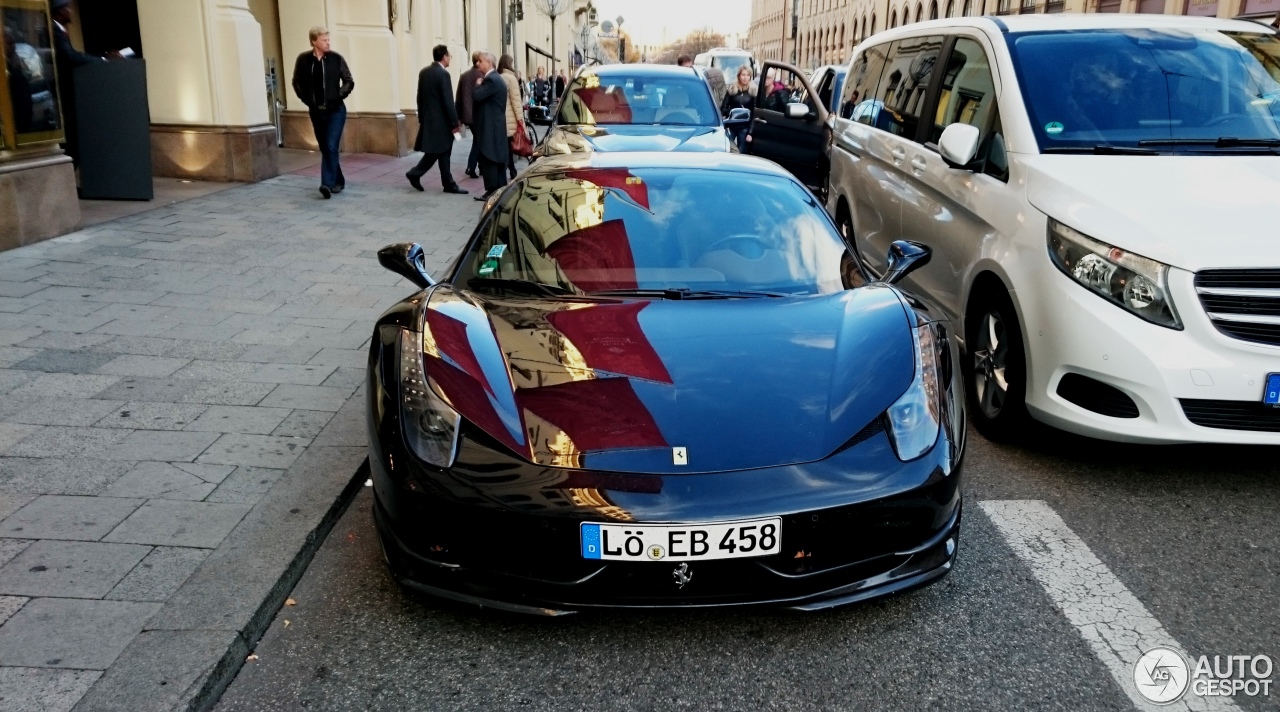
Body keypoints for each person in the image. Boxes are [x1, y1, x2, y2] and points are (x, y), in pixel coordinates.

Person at [292, 26, 354, 199]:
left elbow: (349, 81)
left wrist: (336, 96)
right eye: (324, 40)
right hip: (316, 112)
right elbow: (297, 83)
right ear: (314, 41)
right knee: (326, 147)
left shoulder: (336, 59)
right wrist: (308, 101)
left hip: (336, 110)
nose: (328, 42)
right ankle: (338, 180)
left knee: (332, 145)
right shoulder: (303, 60)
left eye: (328, 39)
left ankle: (326, 184)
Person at [50, 0, 113, 165]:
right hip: (63, 92)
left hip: (70, 91)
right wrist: (102, 60)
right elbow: (68, 56)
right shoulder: (54, 30)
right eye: (68, 8)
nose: (71, 12)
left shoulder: (61, 29)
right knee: (71, 137)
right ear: (61, 11)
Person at [406, 45, 467, 195]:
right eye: (450, 56)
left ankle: (446, 183)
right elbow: (448, 100)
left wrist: (421, 117)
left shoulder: (424, 72)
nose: (450, 59)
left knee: (440, 152)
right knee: (442, 151)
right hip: (443, 122)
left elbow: (419, 97)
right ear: (444, 57)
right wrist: (454, 122)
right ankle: (419, 175)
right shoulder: (443, 74)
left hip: (429, 119)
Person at [471, 52, 510, 200]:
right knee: (496, 156)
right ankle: (498, 189)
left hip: (490, 126)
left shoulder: (491, 80)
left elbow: (476, 96)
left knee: (489, 157)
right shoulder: (497, 79)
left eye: (480, 61)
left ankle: (492, 190)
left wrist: (477, 85)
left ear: (489, 62)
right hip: (495, 124)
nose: (477, 64)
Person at [456, 52, 483, 180]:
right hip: (479, 115)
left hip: (467, 115)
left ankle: (478, 166)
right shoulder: (482, 76)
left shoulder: (464, 75)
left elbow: (459, 97)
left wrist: (459, 117)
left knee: (477, 140)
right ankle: (471, 166)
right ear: (478, 61)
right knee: (478, 141)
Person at [498, 55, 523, 181]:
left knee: (506, 147)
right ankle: (509, 172)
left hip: (501, 118)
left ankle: (512, 171)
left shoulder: (498, 77)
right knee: (509, 148)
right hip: (510, 118)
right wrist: (520, 120)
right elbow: (516, 101)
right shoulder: (511, 78)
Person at [721, 65, 755, 153]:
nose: (745, 77)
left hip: (744, 127)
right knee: (727, 149)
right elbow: (723, 109)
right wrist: (734, 112)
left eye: (748, 75)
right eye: (743, 75)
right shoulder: (732, 89)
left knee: (741, 152)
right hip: (731, 126)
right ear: (739, 76)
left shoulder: (753, 91)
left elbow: (754, 114)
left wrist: (750, 133)